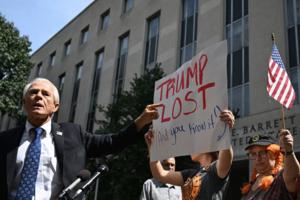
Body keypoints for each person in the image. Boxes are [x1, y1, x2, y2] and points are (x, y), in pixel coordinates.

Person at [0, 78, 160, 200]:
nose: (38, 97)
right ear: (24, 103)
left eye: (45, 94)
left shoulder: (73, 133)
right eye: (33, 92)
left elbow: (114, 142)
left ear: (55, 106)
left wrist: (141, 121)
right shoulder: (5, 140)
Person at [144, 110, 235, 200]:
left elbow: (226, 158)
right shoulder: (191, 174)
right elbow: (160, 174)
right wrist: (152, 149)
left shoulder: (215, 170)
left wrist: (225, 132)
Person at [241, 130, 300, 200]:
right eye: (253, 154)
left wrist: (289, 150)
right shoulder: (251, 185)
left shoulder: (280, 177)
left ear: (275, 154)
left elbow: (293, 175)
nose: (257, 158)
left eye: (262, 152)